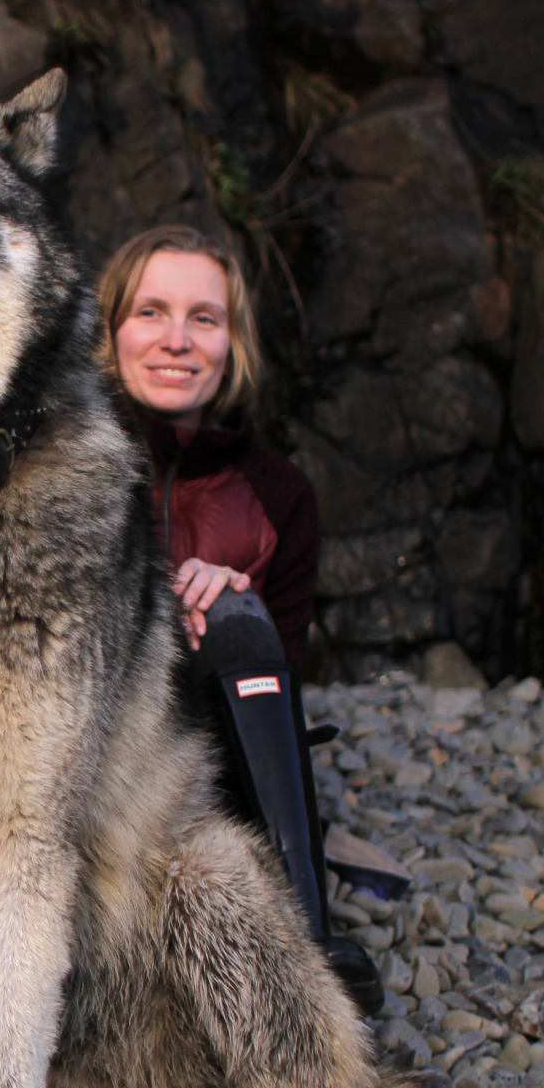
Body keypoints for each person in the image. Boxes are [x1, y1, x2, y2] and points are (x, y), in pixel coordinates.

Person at [99, 225, 383, 1015]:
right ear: (111, 331)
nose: (177, 341)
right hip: (85, 752)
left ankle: (308, 935)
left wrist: (231, 603)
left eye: (205, 318)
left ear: (233, 341)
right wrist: (154, 589)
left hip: (213, 763)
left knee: (238, 608)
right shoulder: (57, 457)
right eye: (151, 312)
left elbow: (283, 674)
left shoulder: (280, 493)